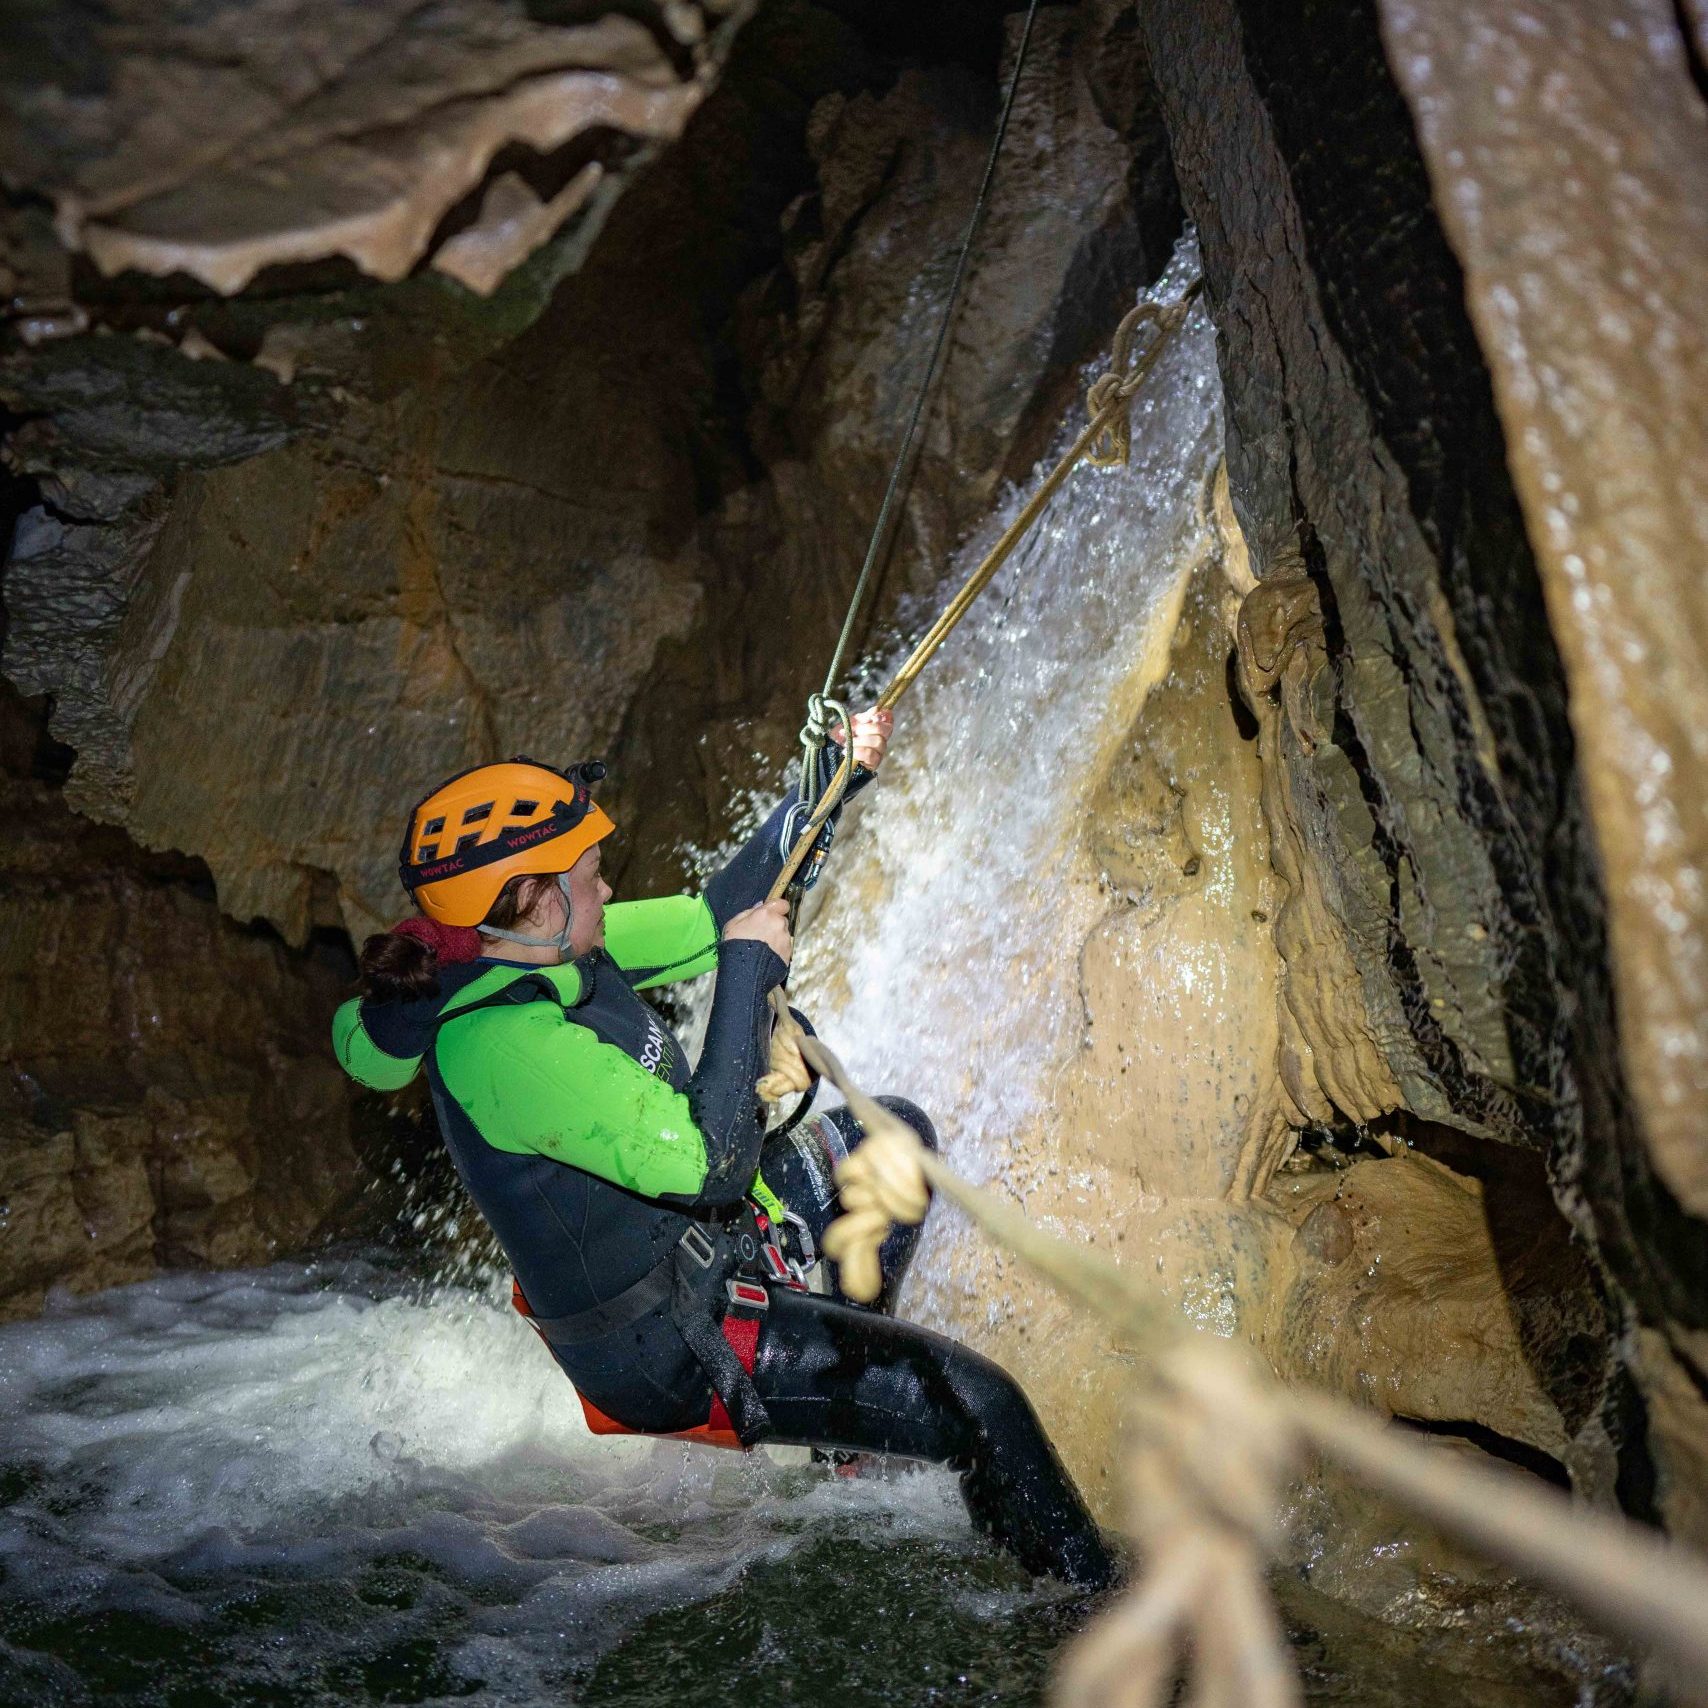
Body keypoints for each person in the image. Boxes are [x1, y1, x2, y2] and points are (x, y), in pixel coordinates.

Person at [332, 713, 1113, 1588]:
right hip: (669, 1343)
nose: (606, 889)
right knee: (981, 1404)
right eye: (590, 878)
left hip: (706, 1251)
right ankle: (1102, 1626)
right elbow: (713, 1163)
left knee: (889, 1136)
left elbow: (713, 919)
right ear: (533, 900)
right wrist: (747, 975)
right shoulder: (506, 1046)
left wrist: (826, 783)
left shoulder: (545, 951)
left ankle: (839, 1439)